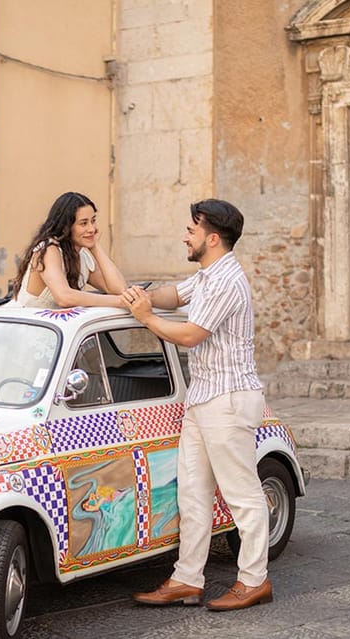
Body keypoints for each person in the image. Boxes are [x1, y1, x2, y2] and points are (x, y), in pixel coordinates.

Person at [124, 199, 271, 612]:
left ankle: (254, 580)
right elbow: (174, 294)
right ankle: (187, 579)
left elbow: (190, 335)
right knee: (192, 494)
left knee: (243, 495)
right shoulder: (207, 276)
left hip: (228, 400)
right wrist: (140, 297)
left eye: (192, 229)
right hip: (203, 398)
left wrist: (145, 318)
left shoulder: (228, 281)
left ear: (211, 238)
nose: (185, 235)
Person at [12, 192, 127, 308]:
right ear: (66, 226)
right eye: (84, 223)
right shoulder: (48, 250)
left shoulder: (82, 256)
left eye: (93, 221)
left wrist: (95, 247)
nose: (92, 229)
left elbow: (120, 290)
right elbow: (64, 297)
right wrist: (120, 301)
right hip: (25, 324)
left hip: (58, 326)